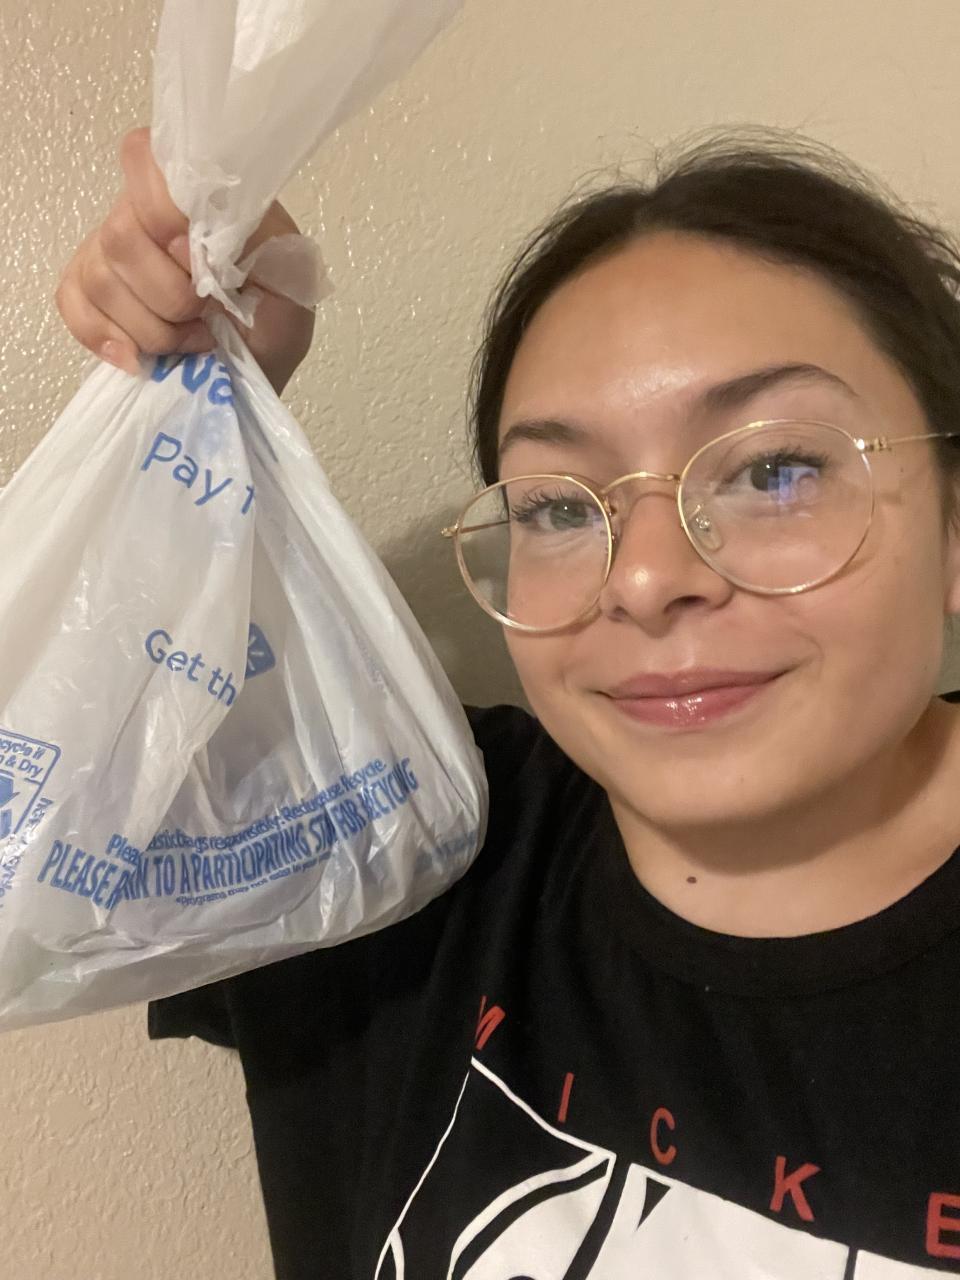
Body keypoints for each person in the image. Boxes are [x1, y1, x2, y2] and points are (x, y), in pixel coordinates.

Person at [57, 125, 960, 1278]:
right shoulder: (406, 845)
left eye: (775, 470)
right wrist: (198, 408)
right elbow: (62, 820)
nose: (645, 578)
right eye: (561, 506)